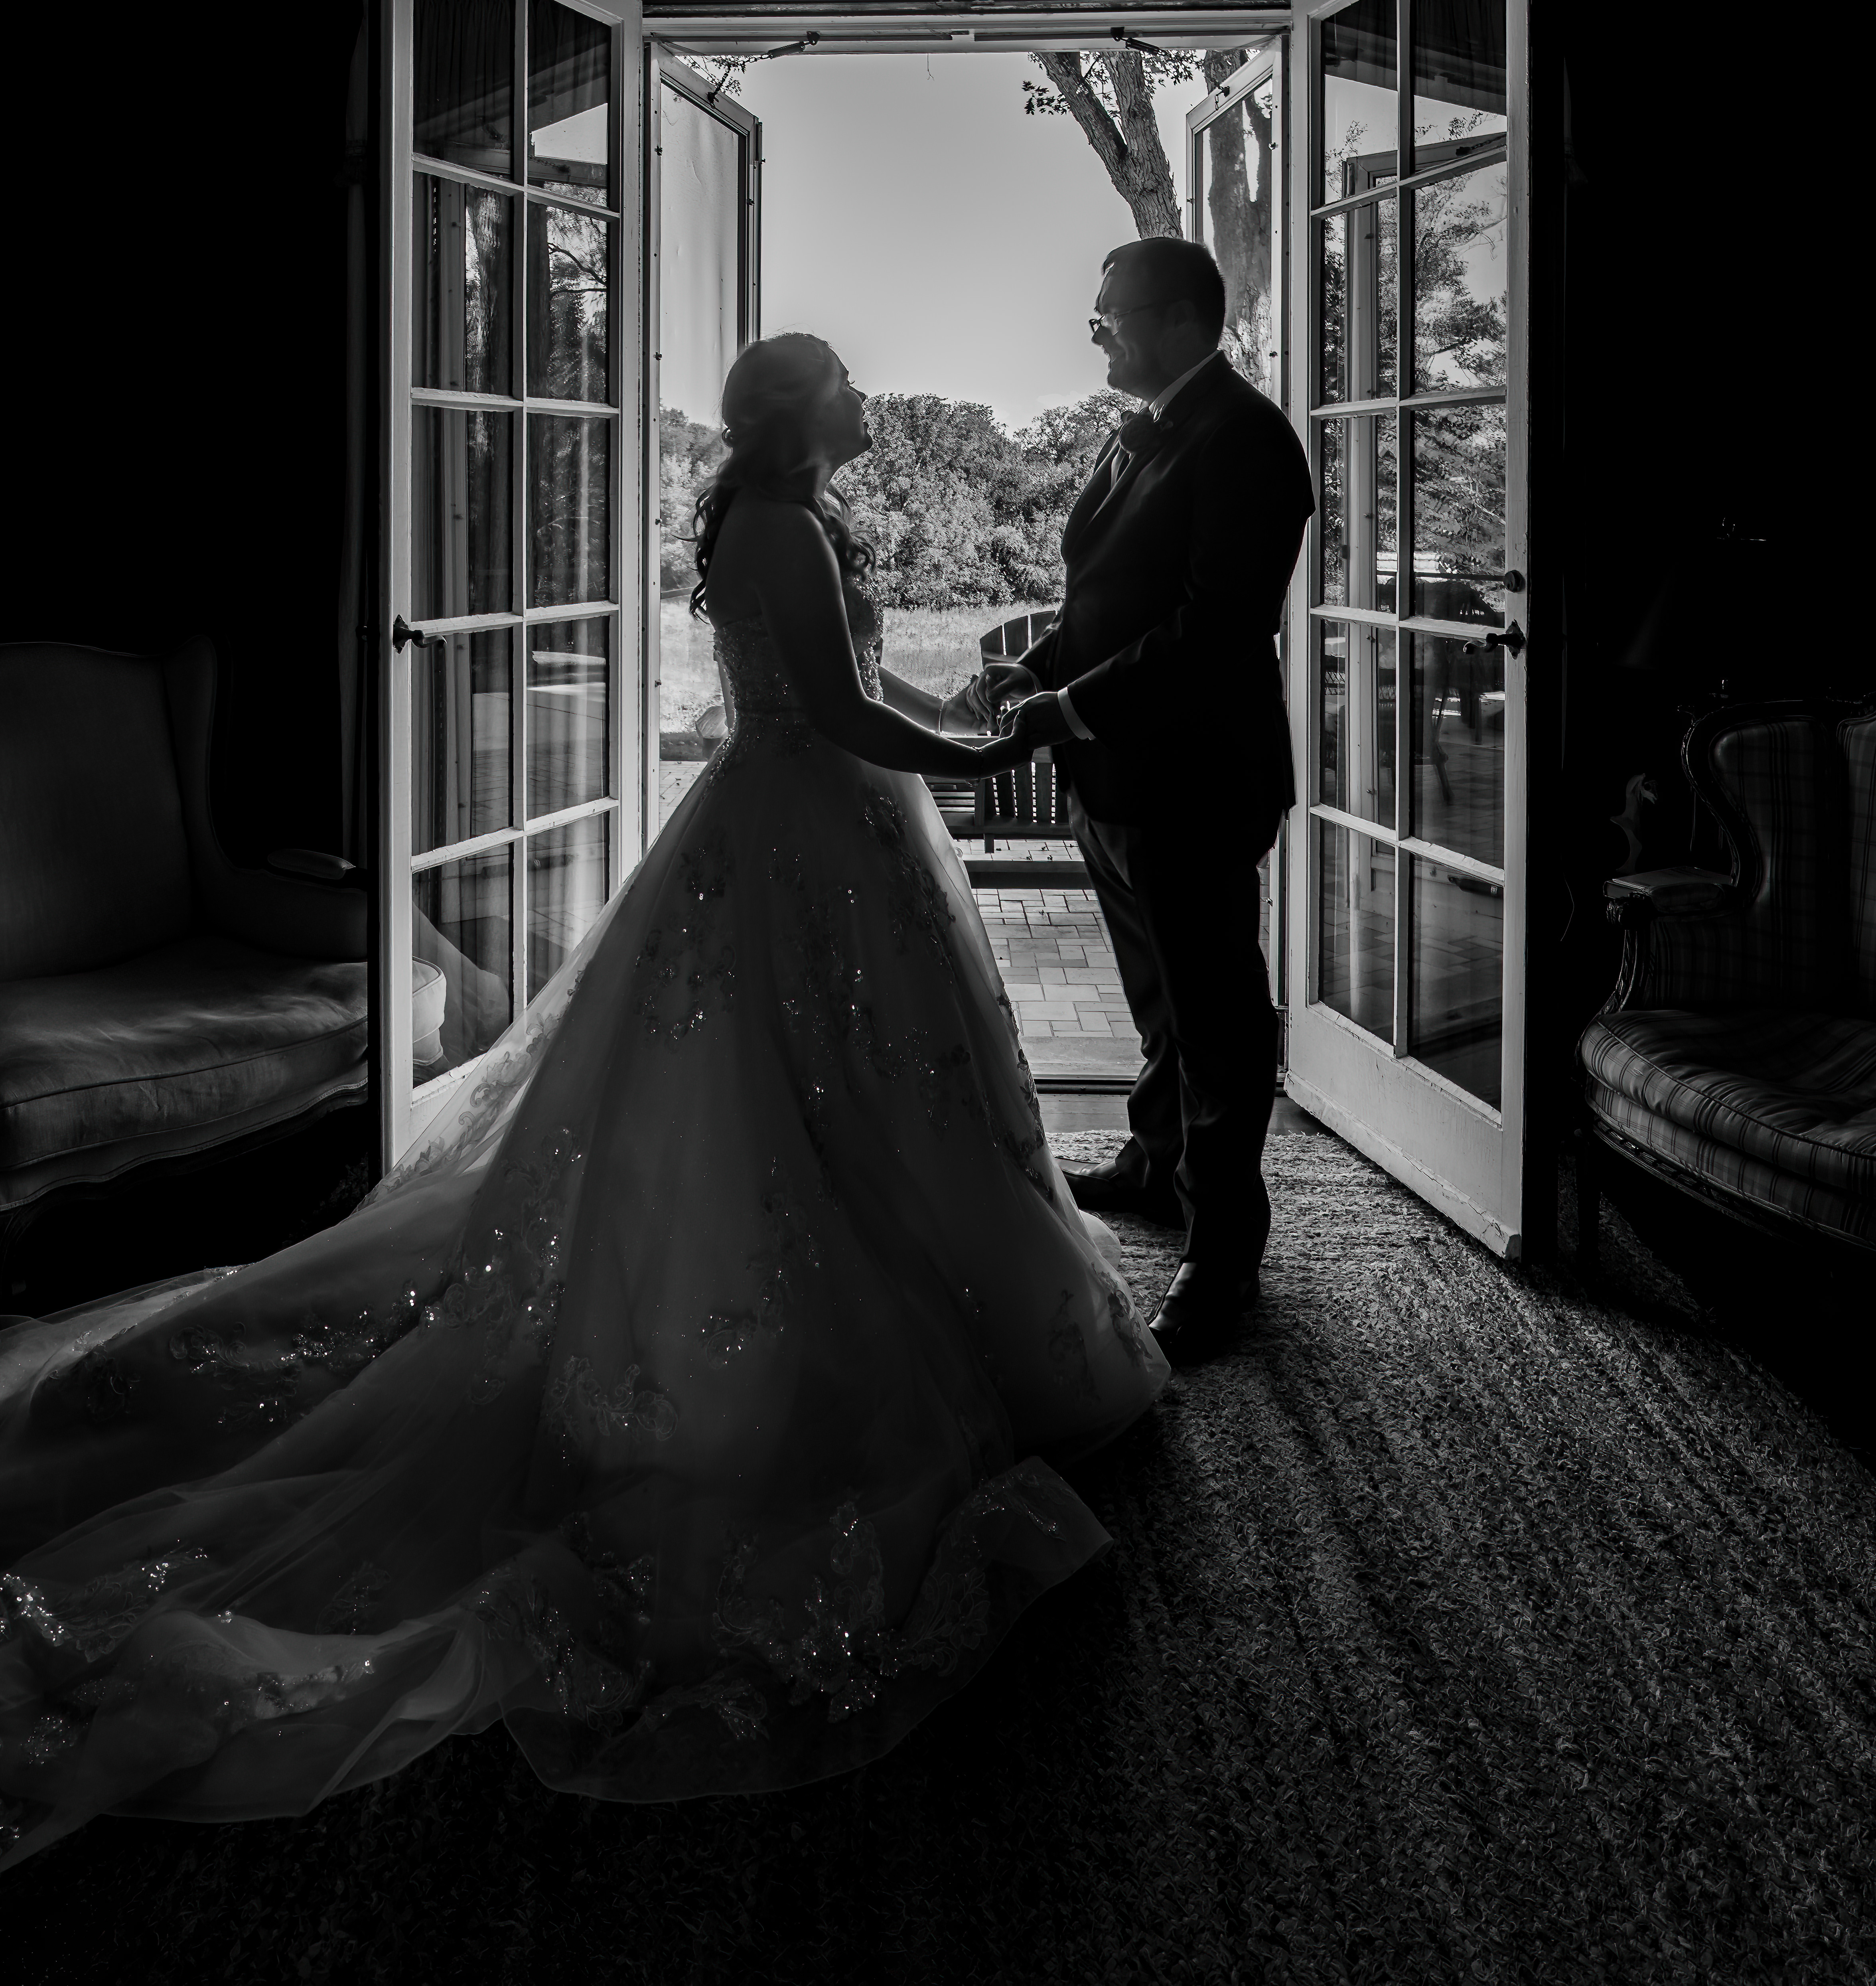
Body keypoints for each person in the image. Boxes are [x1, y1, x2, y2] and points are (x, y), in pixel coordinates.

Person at [0, 335, 1168, 1871]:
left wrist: (961, 698)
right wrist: (992, 744)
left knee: (882, 1087)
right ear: (800, 411)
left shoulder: (801, 516)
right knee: (797, 1094)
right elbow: (836, 711)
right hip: (805, 829)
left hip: (831, 823)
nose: (864, 398)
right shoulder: (776, 523)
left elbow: (859, 678)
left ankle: (955, 1295)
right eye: (843, 382)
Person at [979, 239, 1313, 1368]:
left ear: (1177, 319)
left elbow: (1214, 629)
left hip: (1196, 781)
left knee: (1218, 1018)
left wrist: (1070, 709)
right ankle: (1154, 1160)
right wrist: (1041, 669)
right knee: (1161, 999)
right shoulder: (1147, 427)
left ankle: (1224, 1251)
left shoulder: (1246, 438)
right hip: (1117, 778)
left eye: (1109, 313)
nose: (1095, 330)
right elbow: (1109, 596)